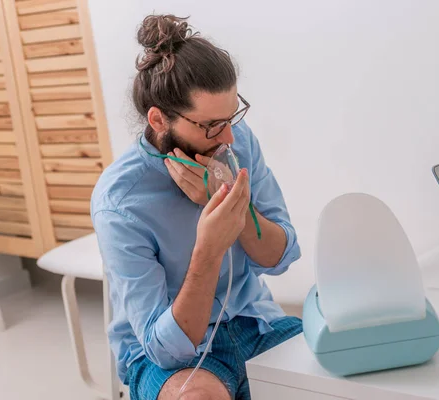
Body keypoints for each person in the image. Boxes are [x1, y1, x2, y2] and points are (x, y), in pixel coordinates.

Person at [91, 14, 302, 400]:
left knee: (345, 376)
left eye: (232, 117)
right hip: (175, 357)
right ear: (158, 118)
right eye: (211, 125)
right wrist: (209, 247)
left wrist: (228, 206)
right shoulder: (120, 203)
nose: (229, 136)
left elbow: (280, 256)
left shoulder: (237, 144)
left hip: (256, 324)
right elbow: (164, 347)